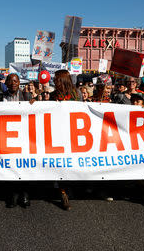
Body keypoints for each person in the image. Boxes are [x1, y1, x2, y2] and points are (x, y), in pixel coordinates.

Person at [0, 74, 33, 208]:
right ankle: (12, 195)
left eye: (16, 81)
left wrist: (35, 104)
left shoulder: (28, 97)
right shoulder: (0, 98)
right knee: (10, 166)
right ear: (6, 83)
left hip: (24, 137)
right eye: (10, 81)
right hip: (6, 137)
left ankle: (24, 194)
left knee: (24, 166)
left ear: (19, 83)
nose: (13, 83)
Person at [50, 70, 79, 210]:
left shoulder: (76, 94)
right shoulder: (52, 95)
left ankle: (69, 185)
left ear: (64, 80)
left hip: (73, 133)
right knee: (60, 162)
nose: (54, 81)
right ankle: (63, 192)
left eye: (57, 79)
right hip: (57, 133)